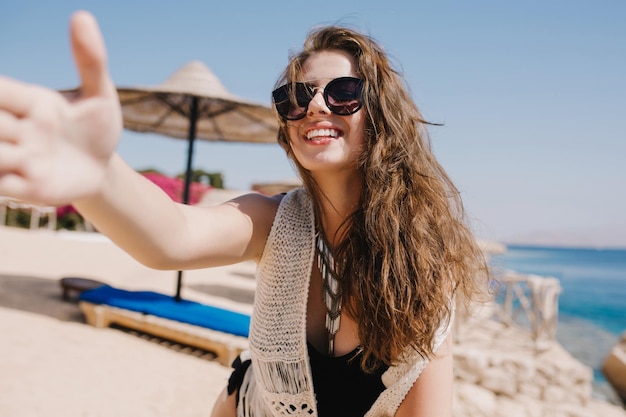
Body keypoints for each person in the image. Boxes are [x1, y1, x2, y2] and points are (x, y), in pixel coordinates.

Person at [0, 11, 489, 417]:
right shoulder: (274, 221)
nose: (315, 105)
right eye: (295, 98)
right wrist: (99, 172)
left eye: (342, 91)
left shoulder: (423, 255)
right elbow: (171, 236)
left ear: (379, 113)